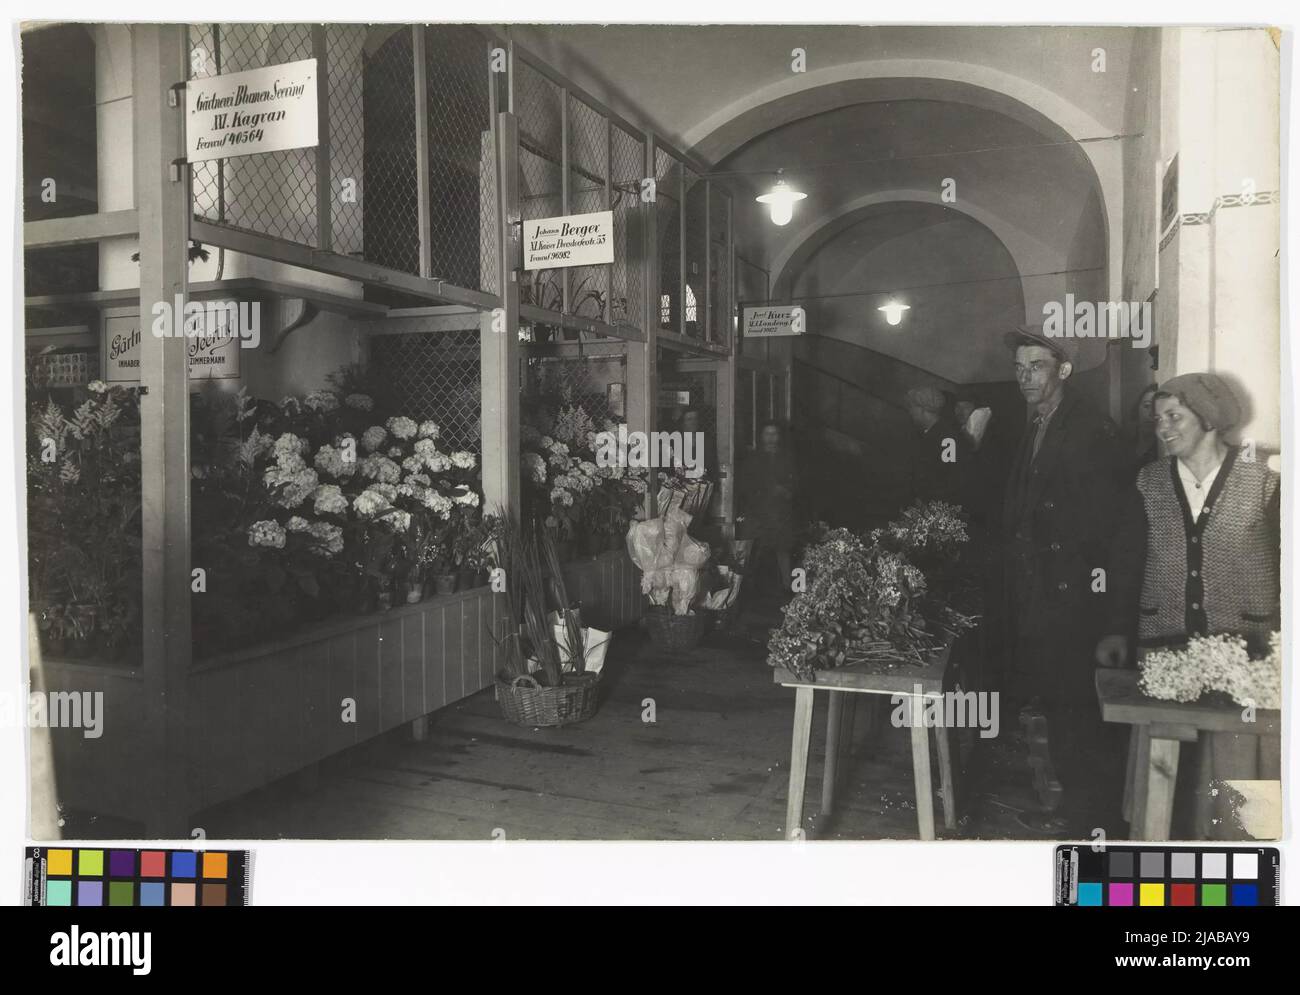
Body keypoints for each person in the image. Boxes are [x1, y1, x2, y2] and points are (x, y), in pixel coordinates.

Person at [1098, 373, 1280, 838]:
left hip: (1245, 652)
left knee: (1236, 774)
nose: (1163, 427)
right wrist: (1118, 630)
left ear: (1210, 420)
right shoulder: (1149, 482)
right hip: (1166, 649)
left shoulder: (1263, 485)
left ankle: (1241, 864)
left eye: (1174, 416)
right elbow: (1126, 562)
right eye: (1158, 419)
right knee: (1164, 774)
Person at [997, 324, 1129, 834]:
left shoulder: (1090, 427)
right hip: (1041, 593)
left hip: (1073, 597)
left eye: (1037, 367)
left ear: (1064, 371)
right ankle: (1074, 811)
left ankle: (1094, 826)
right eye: (1019, 368)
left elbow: (1105, 526)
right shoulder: (1040, 423)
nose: (1025, 377)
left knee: (1078, 713)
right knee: (1058, 704)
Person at [737, 420, 796, 595]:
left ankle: (787, 586)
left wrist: (785, 492)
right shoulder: (753, 459)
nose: (771, 438)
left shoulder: (787, 458)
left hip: (780, 511)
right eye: (767, 434)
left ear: (779, 437)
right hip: (757, 511)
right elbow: (745, 485)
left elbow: (796, 484)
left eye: (774, 434)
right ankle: (746, 588)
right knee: (751, 550)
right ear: (761, 437)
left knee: (783, 549)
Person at [904, 385, 968, 507]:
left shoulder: (947, 438)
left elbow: (951, 479)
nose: (910, 412)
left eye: (912, 408)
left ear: (922, 410)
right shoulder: (929, 433)